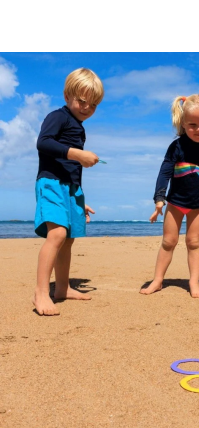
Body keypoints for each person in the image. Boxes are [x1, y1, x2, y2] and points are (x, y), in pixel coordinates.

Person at [140, 94, 199, 298]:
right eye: (193, 125)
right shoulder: (176, 146)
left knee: (194, 242)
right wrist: (159, 199)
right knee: (169, 242)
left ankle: (194, 283)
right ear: (183, 123)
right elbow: (164, 172)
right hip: (175, 203)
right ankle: (158, 280)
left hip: (198, 206)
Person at [32, 67, 104, 316]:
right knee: (58, 234)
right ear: (67, 96)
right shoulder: (58, 116)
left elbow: (73, 169)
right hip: (51, 182)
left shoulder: (79, 127)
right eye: (82, 101)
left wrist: (79, 198)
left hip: (70, 188)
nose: (87, 108)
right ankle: (41, 292)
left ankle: (62, 287)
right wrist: (76, 153)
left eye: (93, 104)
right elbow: (43, 142)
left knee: (69, 238)